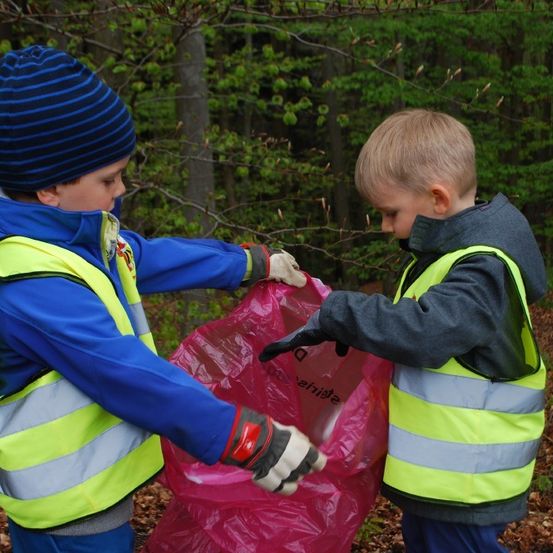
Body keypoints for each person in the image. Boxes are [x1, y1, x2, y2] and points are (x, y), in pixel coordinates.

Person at [0, 45, 326, 553]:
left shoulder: (78, 236)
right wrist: (246, 438)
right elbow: (124, 374)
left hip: (95, 493)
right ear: (49, 188)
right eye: (108, 179)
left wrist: (248, 263)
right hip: (69, 511)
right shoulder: (29, 280)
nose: (121, 189)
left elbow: (148, 257)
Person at [260, 109, 547, 553]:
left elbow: (425, 333)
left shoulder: (480, 271)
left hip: (465, 483)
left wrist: (339, 313)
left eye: (390, 212)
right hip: (443, 480)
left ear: (437, 199)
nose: (385, 226)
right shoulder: (448, 258)